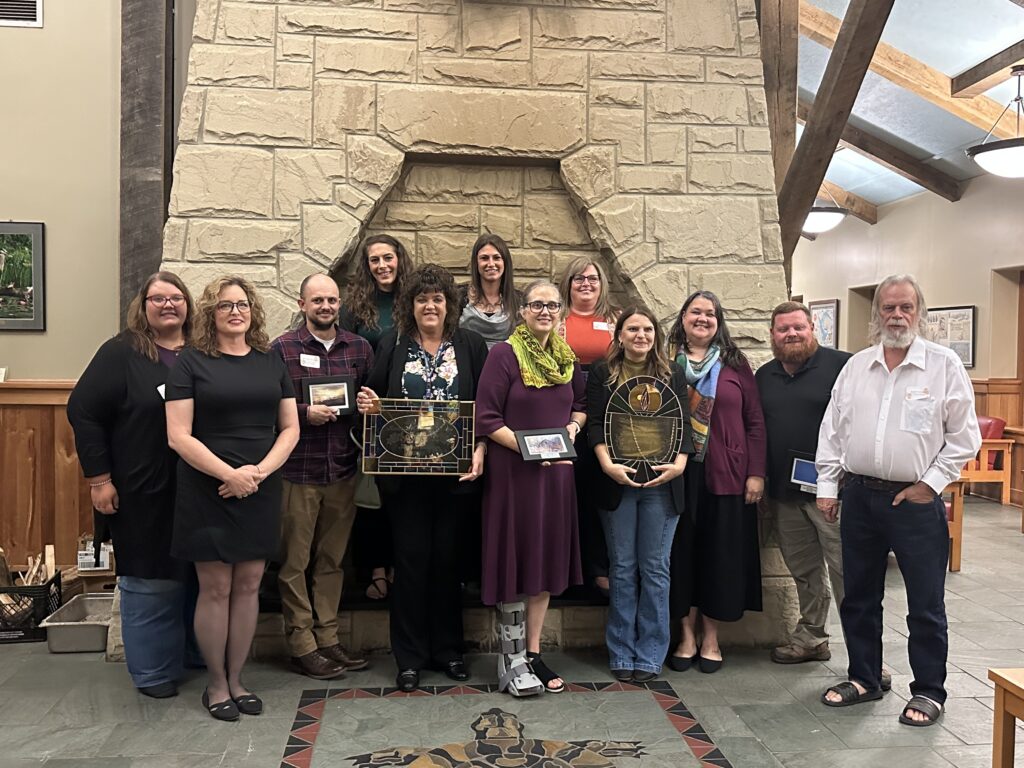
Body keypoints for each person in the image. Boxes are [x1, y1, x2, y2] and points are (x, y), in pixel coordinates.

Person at [817, 275, 980, 727]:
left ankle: (929, 691)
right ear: (876, 316)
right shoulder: (857, 367)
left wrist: (930, 484)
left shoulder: (943, 365)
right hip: (861, 496)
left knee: (925, 604)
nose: (897, 315)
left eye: (906, 307)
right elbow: (833, 430)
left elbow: (965, 438)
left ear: (919, 312)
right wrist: (828, 487)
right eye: (889, 308)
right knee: (859, 598)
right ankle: (865, 678)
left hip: (915, 503)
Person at [166, 276, 300, 721]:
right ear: (211, 314)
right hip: (208, 487)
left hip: (260, 486)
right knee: (216, 587)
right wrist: (229, 475)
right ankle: (216, 684)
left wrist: (257, 474)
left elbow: (290, 428)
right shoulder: (190, 362)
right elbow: (178, 436)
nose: (235, 312)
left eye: (242, 304)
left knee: (247, 586)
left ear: (253, 312)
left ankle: (239, 679)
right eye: (225, 306)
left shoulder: (271, 361)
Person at [355, 264, 488, 693]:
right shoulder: (392, 346)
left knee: (449, 563)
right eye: (421, 299)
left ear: (449, 305)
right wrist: (368, 403)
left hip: (455, 478)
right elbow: (373, 400)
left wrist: (481, 449)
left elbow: (486, 408)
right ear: (409, 306)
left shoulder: (470, 345)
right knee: (410, 563)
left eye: (437, 299)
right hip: (406, 480)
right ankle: (409, 657)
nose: (429, 306)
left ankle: (449, 651)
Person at [67, 271, 195, 699]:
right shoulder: (121, 353)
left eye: (176, 298)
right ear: (142, 306)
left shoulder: (201, 353)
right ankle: (154, 671)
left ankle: (193, 657)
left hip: (198, 490)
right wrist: (98, 479)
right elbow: (83, 410)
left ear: (188, 306)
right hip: (141, 491)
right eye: (157, 299)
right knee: (150, 580)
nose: (168, 305)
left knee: (197, 578)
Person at [477, 279, 587, 697]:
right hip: (515, 476)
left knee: (543, 563)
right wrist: (529, 450)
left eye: (552, 305)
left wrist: (573, 430)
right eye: (537, 305)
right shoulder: (505, 355)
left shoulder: (566, 357)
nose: (545, 311)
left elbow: (581, 405)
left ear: (560, 312)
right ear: (522, 311)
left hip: (556, 476)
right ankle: (510, 655)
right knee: (515, 558)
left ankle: (533, 653)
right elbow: (487, 418)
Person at [271, 273, 375, 680]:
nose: (326, 307)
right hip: (298, 471)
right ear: (302, 305)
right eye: (317, 301)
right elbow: (267, 404)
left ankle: (329, 639)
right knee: (294, 562)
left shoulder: (360, 348)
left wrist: (370, 403)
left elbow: (371, 400)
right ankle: (302, 644)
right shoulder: (281, 349)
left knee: (332, 561)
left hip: (343, 470)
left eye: (331, 300)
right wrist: (302, 413)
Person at [586, 307, 693, 682]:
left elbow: (684, 425)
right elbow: (595, 424)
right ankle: (621, 652)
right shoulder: (602, 373)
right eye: (633, 329)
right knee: (623, 569)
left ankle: (649, 655)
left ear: (656, 336)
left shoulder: (672, 373)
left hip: (663, 487)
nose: (641, 335)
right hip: (617, 482)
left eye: (647, 329)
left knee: (656, 569)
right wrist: (606, 465)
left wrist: (679, 464)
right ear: (619, 335)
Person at [667, 290, 765, 673]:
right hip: (676, 475)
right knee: (681, 555)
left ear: (718, 321)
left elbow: (755, 421)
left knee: (719, 557)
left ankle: (711, 638)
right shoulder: (666, 360)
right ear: (684, 317)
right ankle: (686, 636)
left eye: (710, 313)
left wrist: (756, 473)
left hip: (726, 475)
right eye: (696, 312)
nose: (703, 318)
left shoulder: (735, 364)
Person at [756, 302, 851, 664]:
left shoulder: (843, 367)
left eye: (799, 327)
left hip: (833, 494)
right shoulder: (764, 377)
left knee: (847, 573)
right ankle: (812, 638)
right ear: (773, 335)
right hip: (785, 494)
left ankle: (865, 654)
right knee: (805, 571)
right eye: (783, 329)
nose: (792, 334)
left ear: (813, 328)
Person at [341, 234, 412, 602]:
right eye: (374, 261)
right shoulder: (354, 306)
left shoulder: (414, 300)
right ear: (366, 267)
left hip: (410, 415)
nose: (382, 266)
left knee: (405, 499)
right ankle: (377, 570)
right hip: (369, 413)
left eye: (388, 258)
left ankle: (404, 566)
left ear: (400, 259)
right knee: (372, 498)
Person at [557, 257, 618, 598]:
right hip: (564, 417)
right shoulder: (556, 321)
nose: (586, 283)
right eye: (578, 278)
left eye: (592, 278)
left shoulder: (615, 321)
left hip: (605, 417)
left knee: (599, 490)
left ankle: (598, 566)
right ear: (568, 283)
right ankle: (565, 569)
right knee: (566, 493)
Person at [457, 234, 521, 350]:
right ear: (476, 263)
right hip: (468, 364)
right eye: (484, 258)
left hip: (504, 365)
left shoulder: (519, 300)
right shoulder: (459, 297)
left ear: (505, 262)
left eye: (497, 258)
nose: (491, 264)